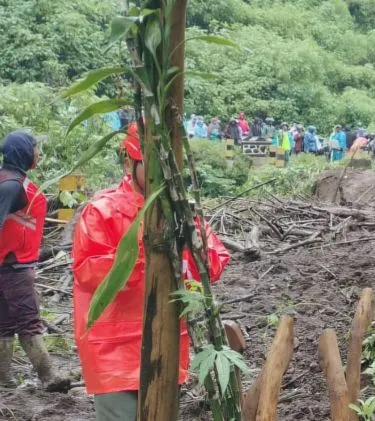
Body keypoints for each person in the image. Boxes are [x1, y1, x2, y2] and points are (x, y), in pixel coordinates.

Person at [72, 124, 230, 421]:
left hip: (167, 339)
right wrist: (146, 257)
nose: (160, 174)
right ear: (129, 164)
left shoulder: (180, 212)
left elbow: (213, 261)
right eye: (150, 163)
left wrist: (186, 247)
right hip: (114, 347)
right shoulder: (103, 210)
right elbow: (88, 272)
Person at [0, 132, 70, 391]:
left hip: (8, 265)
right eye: (35, 148)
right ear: (24, 152)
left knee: (4, 323)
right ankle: (49, 376)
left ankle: (4, 380)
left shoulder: (9, 180)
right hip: (14, 268)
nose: (38, 153)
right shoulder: (12, 186)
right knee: (28, 321)